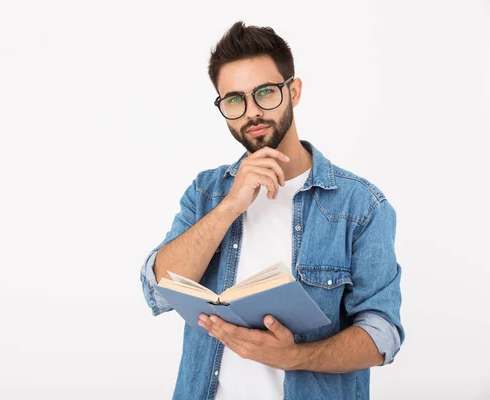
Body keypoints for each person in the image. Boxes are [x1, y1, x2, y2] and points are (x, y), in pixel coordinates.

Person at [139, 21, 404, 400]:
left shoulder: (360, 206)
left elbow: (383, 334)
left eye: (265, 93)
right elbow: (159, 290)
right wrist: (231, 205)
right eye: (234, 99)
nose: (252, 113)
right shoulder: (205, 192)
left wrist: (295, 356)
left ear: (293, 91)